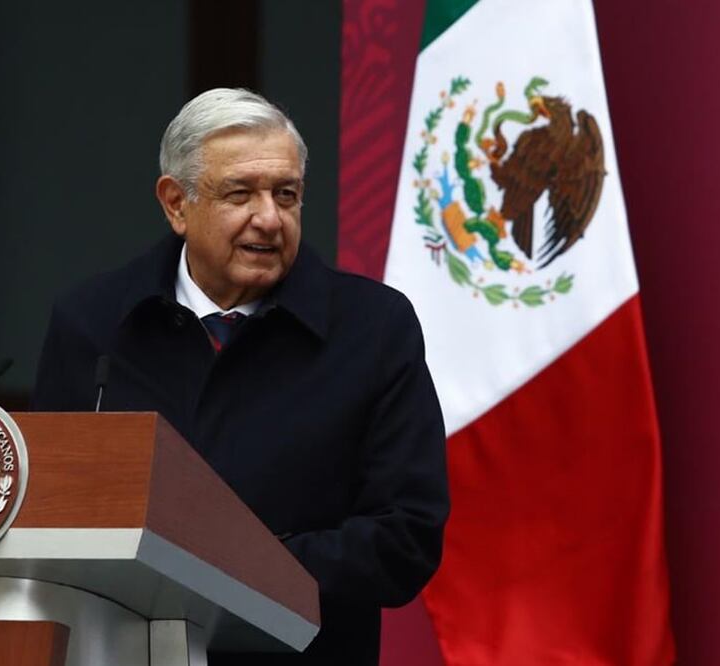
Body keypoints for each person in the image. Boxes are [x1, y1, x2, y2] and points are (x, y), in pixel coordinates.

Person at [31, 88, 448, 665]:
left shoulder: (373, 328)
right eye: (241, 194)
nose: (270, 219)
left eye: (286, 194)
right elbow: (48, 519)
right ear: (177, 204)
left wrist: (243, 569)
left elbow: (406, 537)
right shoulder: (94, 323)